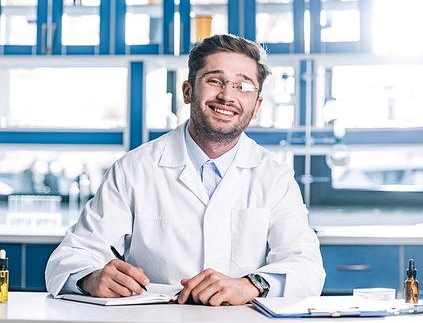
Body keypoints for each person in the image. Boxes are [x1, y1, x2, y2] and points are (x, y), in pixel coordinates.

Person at [45, 34, 325, 306]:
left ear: (256, 106)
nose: (227, 95)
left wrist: (250, 285)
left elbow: (307, 267)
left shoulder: (274, 177)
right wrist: (90, 278)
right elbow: (70, 257)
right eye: (215, 80)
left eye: (243, 86)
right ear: (188, 91)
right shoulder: (134, 169)